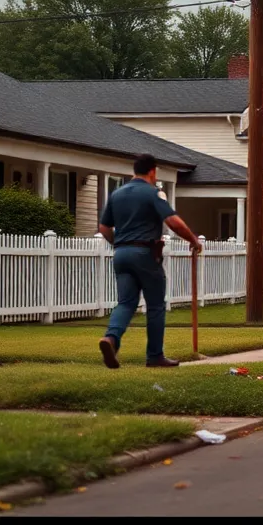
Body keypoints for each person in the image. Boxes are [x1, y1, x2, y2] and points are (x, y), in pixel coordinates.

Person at [97, 153, 202, 369]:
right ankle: (155, 356)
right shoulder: (153, 193)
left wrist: (119, 243)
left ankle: (111, 339)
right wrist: (193, 239)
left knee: (126, 303)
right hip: (145, 253)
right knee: (155, 305)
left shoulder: (117, 194)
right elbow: (172, 221)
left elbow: (104, 228)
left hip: (121, 254)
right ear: (152, 171)